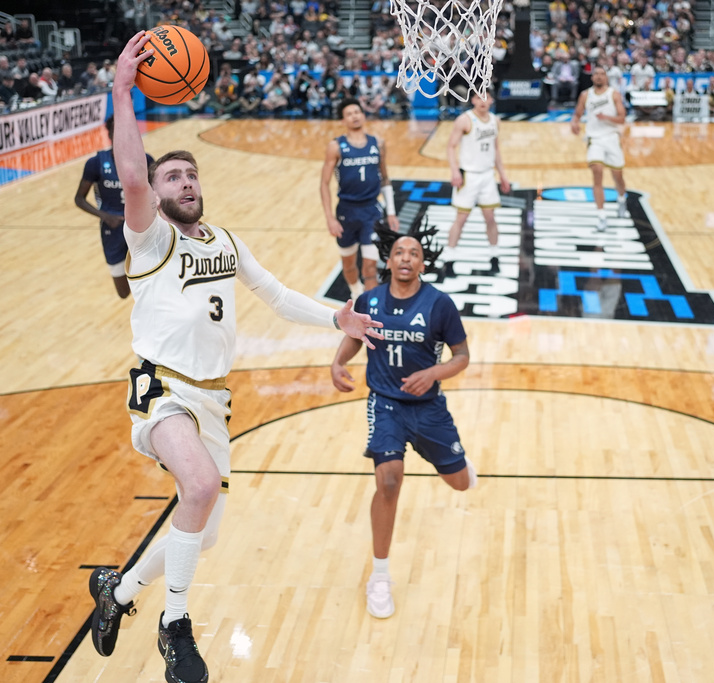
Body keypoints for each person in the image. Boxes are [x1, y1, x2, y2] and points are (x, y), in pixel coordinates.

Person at [87, 32, 383, 683]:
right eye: (174, 176)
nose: (184, 180)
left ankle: (120, 590)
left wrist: (338, 314)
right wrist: (121, 88)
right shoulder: (149, 237)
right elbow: (132, 173)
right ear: (157, 194)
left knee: (205, 529)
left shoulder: (224, 240)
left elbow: (276, 296)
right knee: (195, 488)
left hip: (213, 399)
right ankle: (176, 626)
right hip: (162, 388)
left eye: (191, 174)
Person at [330, 222, 477, 619]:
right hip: (386, 404)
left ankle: (455, 461)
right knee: (389, 480)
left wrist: (433, 373)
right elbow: (354, 336)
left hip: (428, 408)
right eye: (399, 253)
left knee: (460, 484)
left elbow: (461, 356)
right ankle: (379, 576)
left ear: (422, 262)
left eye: (413, 253)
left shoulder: (439, 304)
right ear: (389, 260)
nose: (406, 258)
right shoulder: (370, 300)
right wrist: (338, 362)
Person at [320, 98, 399, 300]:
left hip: (371, 211)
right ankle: (355, 293)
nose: (355, 116)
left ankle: (369, 307)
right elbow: (324, 184)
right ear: (342, 120)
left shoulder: (378, 144)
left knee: (370, 267)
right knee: (348, 265)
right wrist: (330, 218)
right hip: (346, 212)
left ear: (363, 115)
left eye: (357, 111)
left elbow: (385, 178)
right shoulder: (336, 147)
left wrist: (391, 212)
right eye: (349, 113)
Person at [74, 116, 154, 298]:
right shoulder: (95, 163)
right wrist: (105, 216)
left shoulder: (145, 160)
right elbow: (79, 199)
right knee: (123, 292)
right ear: (109, 134)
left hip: (141, 229)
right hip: (112, 228)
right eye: (118, 131)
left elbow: (158, 194)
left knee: (150, 282)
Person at [441, 92, 511, 277]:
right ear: (472, 100)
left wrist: (503, 175)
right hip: (469, 176)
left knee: (490, 218)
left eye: (486, 98)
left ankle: (494, 256)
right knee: (461, 219)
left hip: (487, 176)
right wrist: (455, 171)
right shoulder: (464, 120)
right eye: (479, 98)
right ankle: (449, 259)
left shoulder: (495, 120)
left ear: (491, 100)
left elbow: (496, 149)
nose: (483, 102)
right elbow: (450, 146)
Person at [571, 65, 629, 233]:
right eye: (595, 74)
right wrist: (574, 122)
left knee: (618, 176)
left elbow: (622, 118)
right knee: (597, 172)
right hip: (594, 139)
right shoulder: (585, 95)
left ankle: (621, 199)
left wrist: (606, 118)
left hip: (611, 137)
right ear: (591, 78)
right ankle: (602, 216)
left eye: (602, 74)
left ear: (606, 77)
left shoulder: (614, 94)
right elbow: (577, 113)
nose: (598, 76)